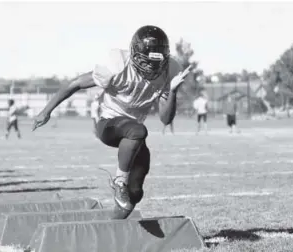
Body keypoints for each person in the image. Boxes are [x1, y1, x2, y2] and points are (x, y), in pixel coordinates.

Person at [33, 25, 190, 219]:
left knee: (135, 193)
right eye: (146, 61)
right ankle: (119, 182)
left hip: (134, 133)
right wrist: (46, 111)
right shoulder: (117, 65)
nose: (151, 67)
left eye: (155, 62)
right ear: (134, 54)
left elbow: (166, 119)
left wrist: (172, 91)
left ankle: (113, 224)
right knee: (138, 131)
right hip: (108, 123)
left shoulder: (170, 71)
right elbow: (75, 83)